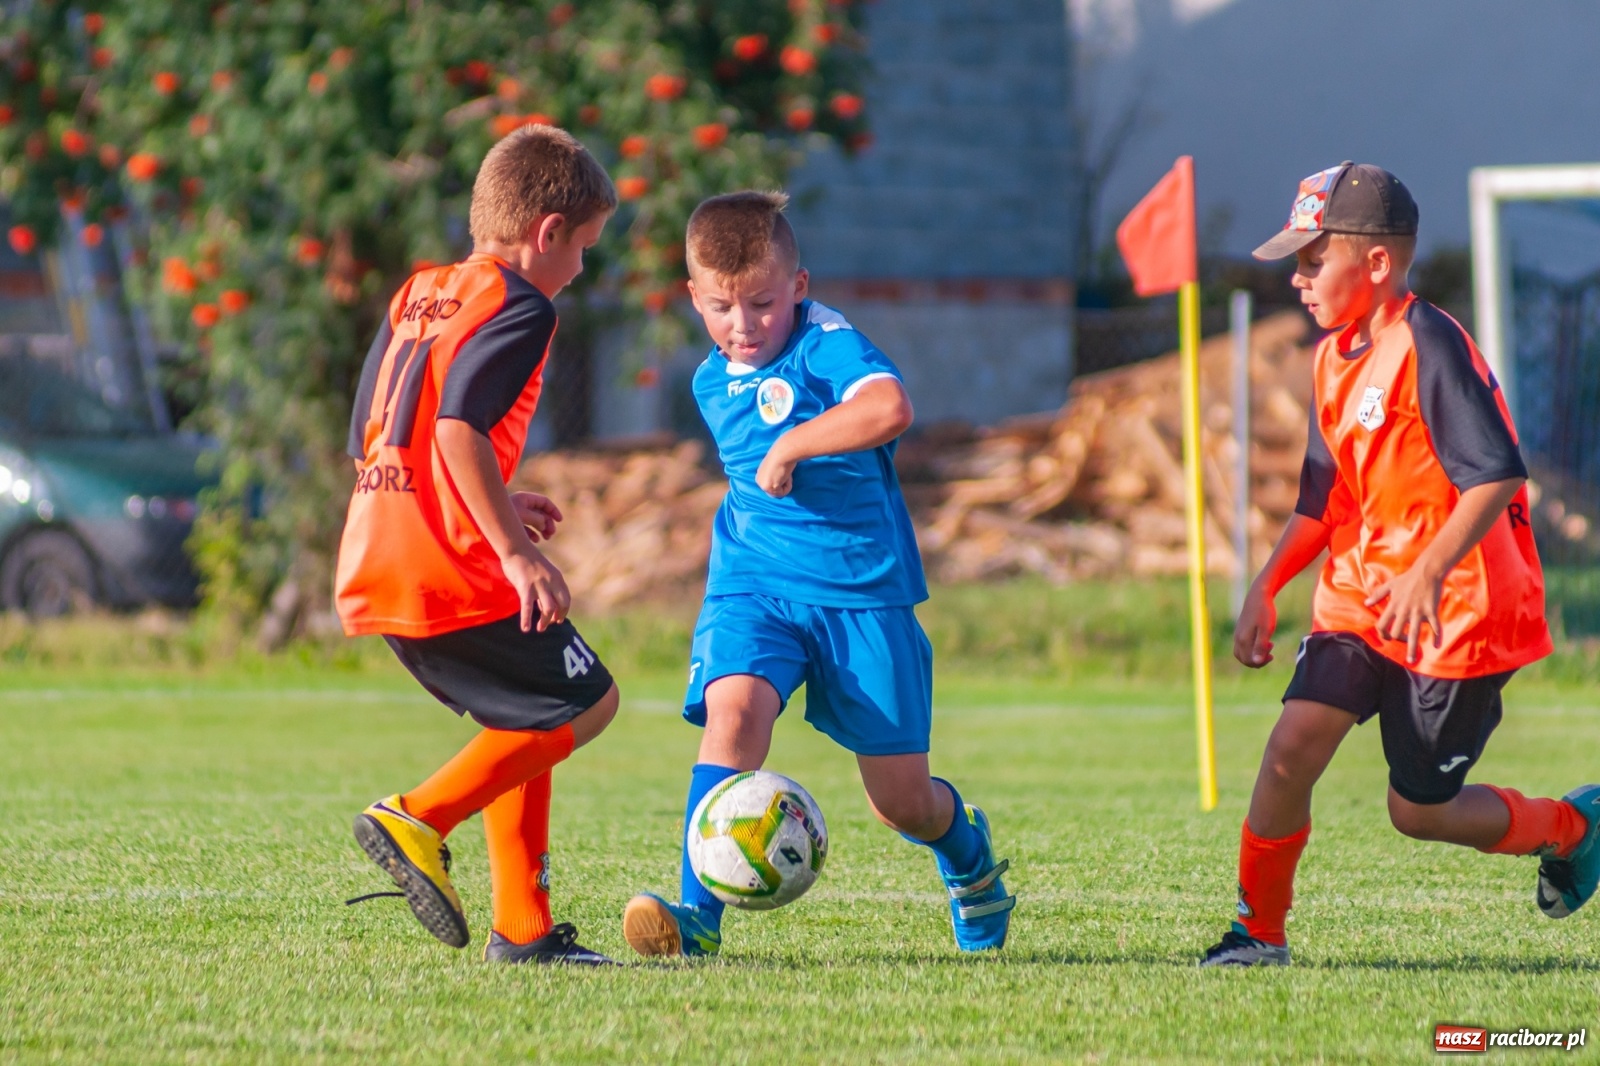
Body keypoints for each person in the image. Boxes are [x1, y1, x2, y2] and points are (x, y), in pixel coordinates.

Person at [1201, 162, 1600, 967]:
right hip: (1361, 598)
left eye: (1314, 261)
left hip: (1459, 614)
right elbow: (1323, 500)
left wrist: (1426, 572)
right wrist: (1266, 585)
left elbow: (1495, 475)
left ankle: (1573, 829)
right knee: (1291, 746)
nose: (1300, 280)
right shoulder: (1329, 360)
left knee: (1417, 811)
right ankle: (1259, 933)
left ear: (1376, 264)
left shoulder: (1429, 342)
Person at [621, 191, 1015, 959]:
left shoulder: (826, 344)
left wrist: (793, 444)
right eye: (722, 306)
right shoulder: (709, 380)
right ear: (692, 298)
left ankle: (968, 858)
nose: (743, 325)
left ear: (798, 287)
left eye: (763, 303)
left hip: (861, 594)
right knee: (733, 715)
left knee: (901, 803)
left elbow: (890, 407)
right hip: (754, 584)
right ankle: (697, 919)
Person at [336, 125, 620, 965]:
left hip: (381, 546)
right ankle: (415, 817)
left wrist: (494, 498)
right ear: (547, 234)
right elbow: (459, 429)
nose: (580, 270)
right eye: (584, 249)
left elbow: (377, 434)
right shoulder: (524, 304)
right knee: (587, 702)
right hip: (446, 562)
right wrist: (513, 549)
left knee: (522, 705)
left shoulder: (419, 291)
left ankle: (524, 931)